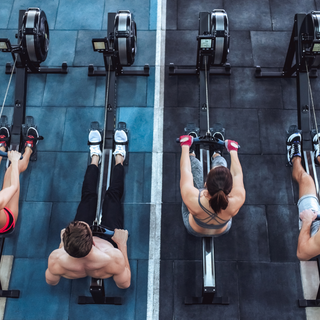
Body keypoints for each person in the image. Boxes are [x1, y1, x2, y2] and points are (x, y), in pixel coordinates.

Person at [45, 129, 131, 289]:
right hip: (108, 240)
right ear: (92, 240)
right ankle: (119, 157)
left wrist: (61, 246)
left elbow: (52, 281)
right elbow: (124, 284)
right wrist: (122, 244)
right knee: (112, 196)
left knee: (88, 196)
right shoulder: (113, 258)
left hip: (73, 259)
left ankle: (95, 157)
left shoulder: (56, 259)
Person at [179, 132, 245, 237]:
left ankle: (191, 154)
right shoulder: (238, 199)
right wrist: (233, 151)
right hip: (221, 230)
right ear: (230, 188)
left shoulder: (192, 198)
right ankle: (217, 154)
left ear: (206, 184)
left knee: (195, 172)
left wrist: (185, 146)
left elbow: (185, 170)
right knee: (221, 167)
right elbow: (237, 175)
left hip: (195, 229)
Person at [287, 130, 320, 260]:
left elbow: (301, 253)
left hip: (313, 224)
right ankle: (318, 156)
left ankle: (295, 158)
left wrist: (307, 221)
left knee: (305, 179)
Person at [0, 126, 39, 234]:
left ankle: (2, 147)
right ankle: (29, 149)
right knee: (13, 169)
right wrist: (15, 160)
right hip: (7, 219)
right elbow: (14, 186)